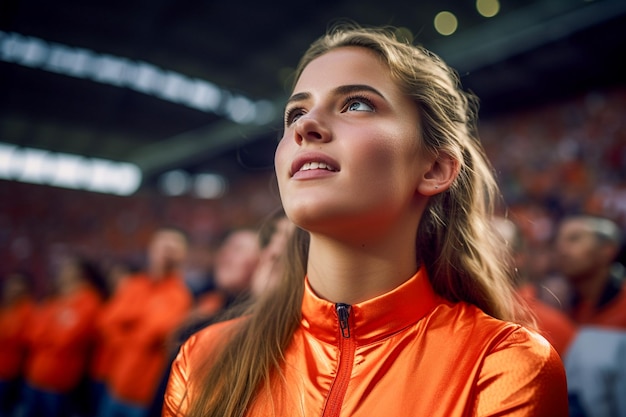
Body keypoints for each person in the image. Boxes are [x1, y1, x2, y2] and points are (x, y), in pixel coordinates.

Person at [163, 24, 568, 417]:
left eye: (356, 104)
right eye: (295, 113)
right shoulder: (201, 358)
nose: (305, 126)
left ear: (434, 168)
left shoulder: (503, 367)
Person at [97, 226, 193, 417]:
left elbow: (152, 334)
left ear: (183, 256)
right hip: (114, 384)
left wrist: (128, 325)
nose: (167, 253)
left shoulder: (180, 296)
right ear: (151, 249)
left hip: (143, 396)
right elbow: (106, 321)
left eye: (173, 248)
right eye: (163, 246)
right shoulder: (134, 284)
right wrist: (134, 332)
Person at [20, 255, 107, 417]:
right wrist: (51, 333)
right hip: (34, 376)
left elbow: (68, 340)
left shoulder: (89, 301)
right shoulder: (55, 298)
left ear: (78, 273)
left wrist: (47, 335)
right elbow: (31, 335)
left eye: (66, 269)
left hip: (59, 382)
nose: (61, 273)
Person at [492, 216, 577, 357]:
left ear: (516, 258)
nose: (476, 249)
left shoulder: (552, 325)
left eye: (492, 241)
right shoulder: (455, 311)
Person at [553, 214, 626, 328]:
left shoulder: (622, 305)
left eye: (574, 239)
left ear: (607, 250)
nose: (562, 249)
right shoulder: (556, 304)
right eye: (559, 240)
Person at [0, 270, 35, 417]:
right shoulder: (4, 306)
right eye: (12, 283)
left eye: (19, 285)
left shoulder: (27, 310)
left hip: (7, 371)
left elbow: (20, 337)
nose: (14, 288)